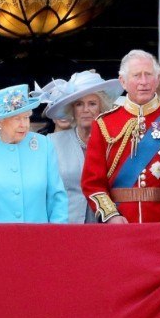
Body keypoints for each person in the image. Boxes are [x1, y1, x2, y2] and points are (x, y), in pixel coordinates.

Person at [80, 50, 160, 223]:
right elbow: (92, 182)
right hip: (121, 223)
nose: (143, 82)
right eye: (137, 75)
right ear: (123, 81)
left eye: (149, 75)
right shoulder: (104, 123)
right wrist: (111, 215)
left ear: (157, 78)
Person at [0, 85, 69, 223]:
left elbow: (57, 197)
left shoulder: (44, 145)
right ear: (0, 121)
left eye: (26, 117)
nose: (24, 124)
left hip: (38, 239)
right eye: (17, 119)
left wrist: (57, 236)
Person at [41, 71, 122, 224]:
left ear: (102, 107)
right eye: (79, 104)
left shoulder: (115, 141)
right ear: (72, 110)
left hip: (106, 227)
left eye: (92, 103)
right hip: (65, 228)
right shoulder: (52, 143)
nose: (85, 109)